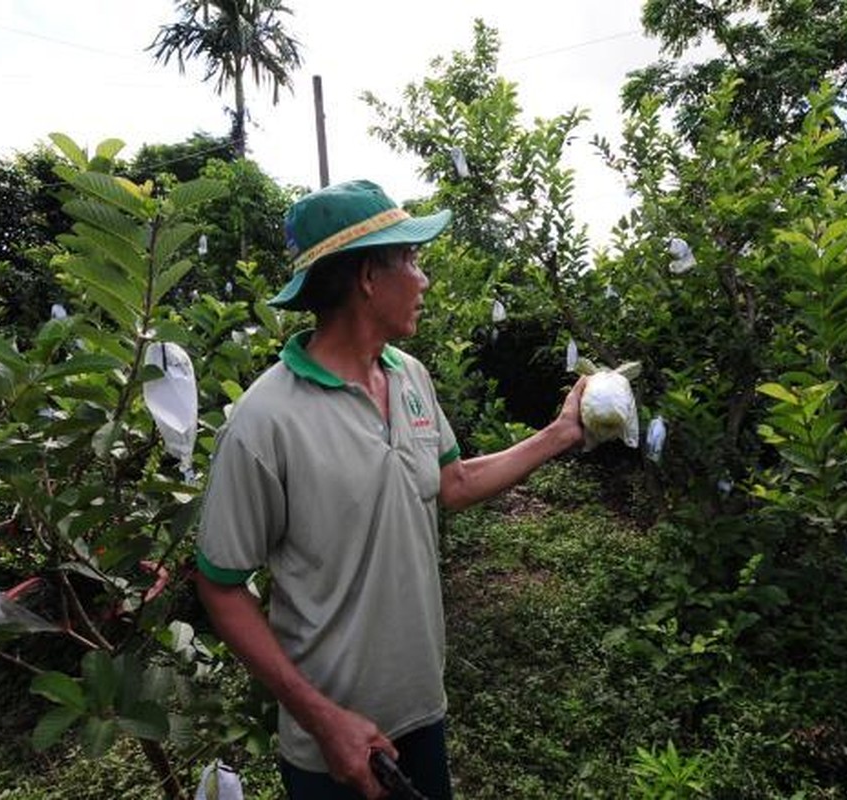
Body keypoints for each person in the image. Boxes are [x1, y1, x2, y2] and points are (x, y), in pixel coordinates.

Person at [195, 179, 586, 799]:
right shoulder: (263, 422)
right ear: (368, 279)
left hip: (422, 708)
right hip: (334, 744)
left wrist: (561, 434)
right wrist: (323, 721)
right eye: (410, 259)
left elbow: (450, 483)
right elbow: (220, 587)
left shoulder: (412, 378)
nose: (423, 278)